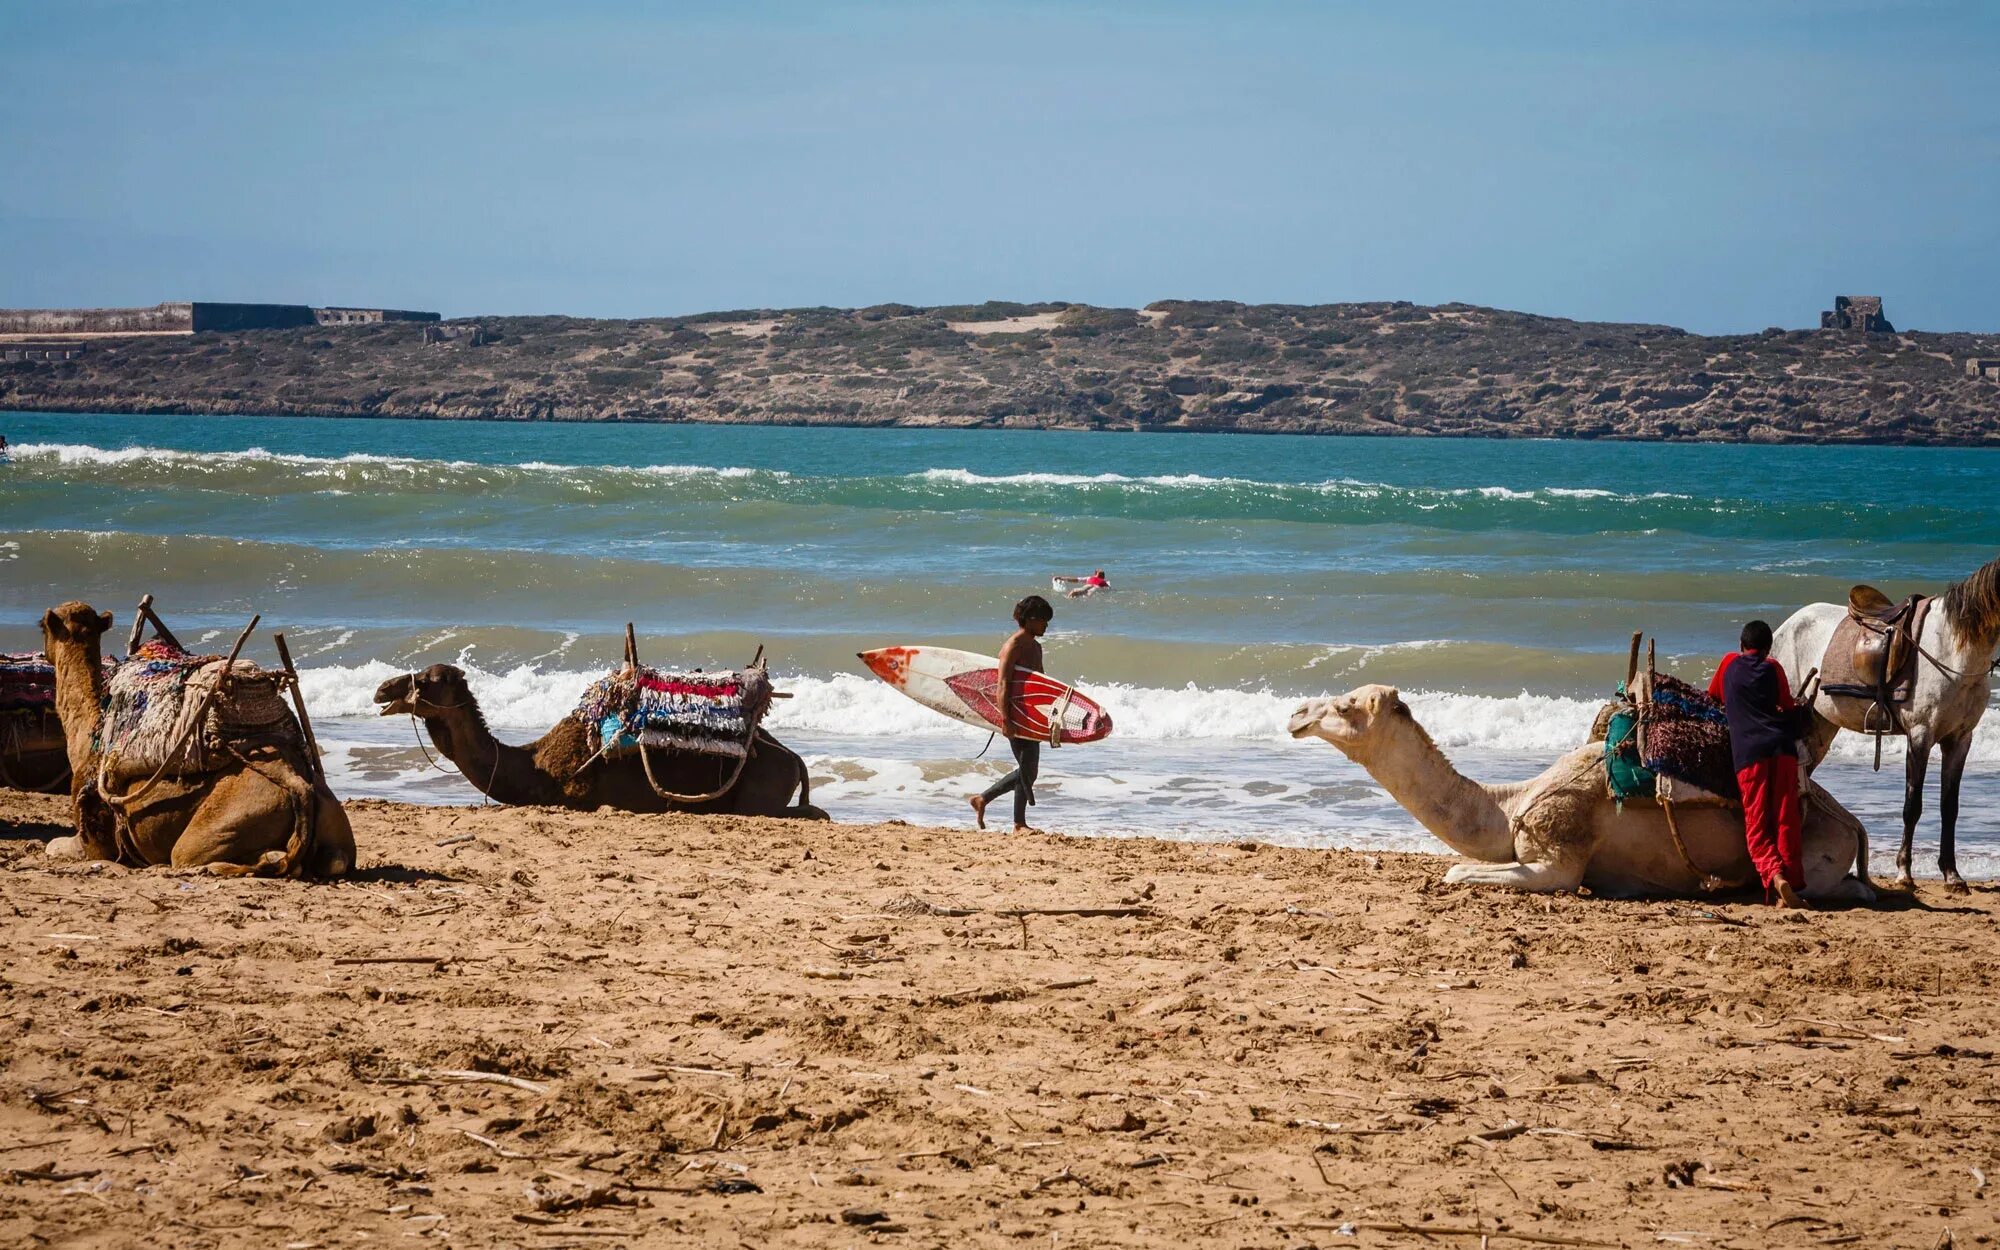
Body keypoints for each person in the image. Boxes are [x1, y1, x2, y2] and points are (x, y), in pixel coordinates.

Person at [1707, 619, 1806, 908]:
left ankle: (1775, 877)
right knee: (1787, 819)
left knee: (1757, 824)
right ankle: (1793, 883)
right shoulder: (1774, 667)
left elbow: (1714, 695)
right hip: (1783, 750)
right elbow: (1788, 705)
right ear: (1767, 649)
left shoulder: (1728, 663)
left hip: (1750, 755)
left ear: (1741, 645)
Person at [969, 594, 1054, 833]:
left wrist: (1046, 716)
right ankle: (1018, 823)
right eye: (1043, 620)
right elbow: (1002, 683)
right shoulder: (1013, 645)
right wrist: (1005, 719)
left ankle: (983, 800)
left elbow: (1041, 685)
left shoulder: (1035, 647)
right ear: (1030, 619)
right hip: (1015, 714)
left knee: (1029, 770)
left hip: (1030, 715)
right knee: (1028, 769)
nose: (1046, 625)